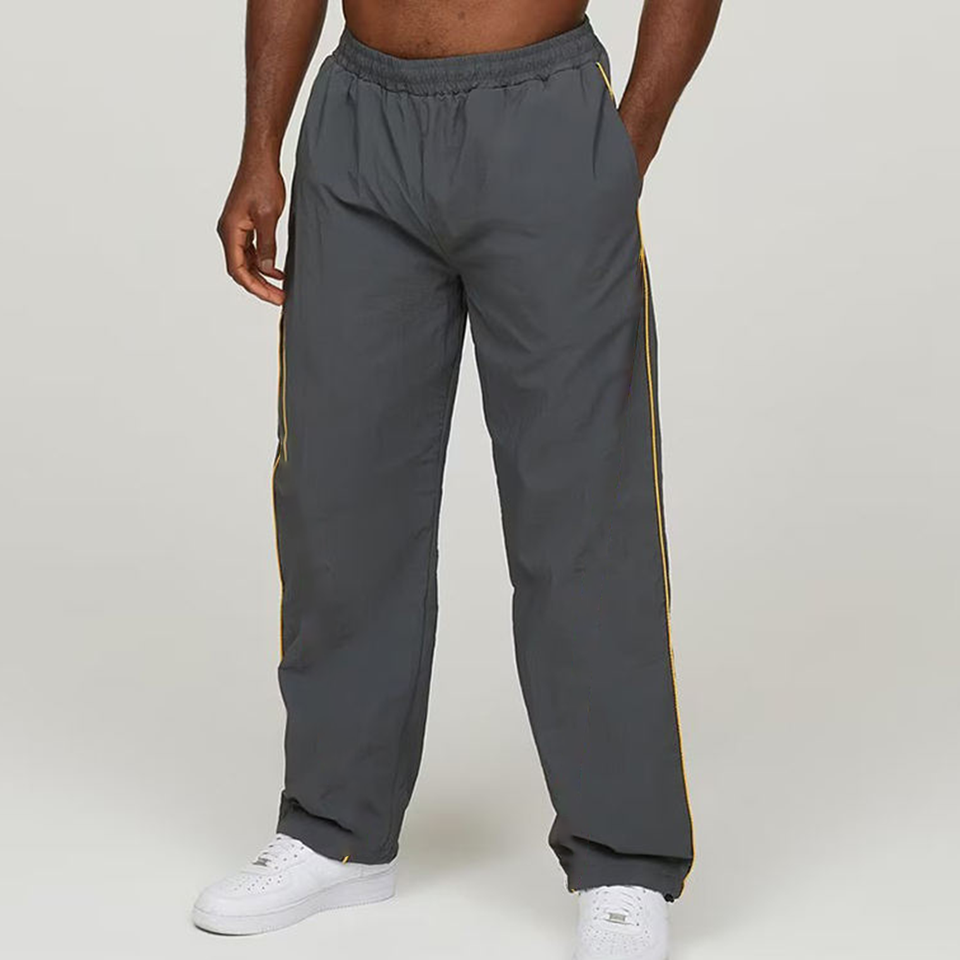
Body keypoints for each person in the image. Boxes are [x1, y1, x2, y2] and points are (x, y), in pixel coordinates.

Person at [194, 1, 721, 956]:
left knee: (582, 510)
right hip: (359, 123)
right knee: (337, 498)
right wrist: (259, 146)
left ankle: (623, 861)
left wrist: (625, 147)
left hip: (541, 113)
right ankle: (335, 831)